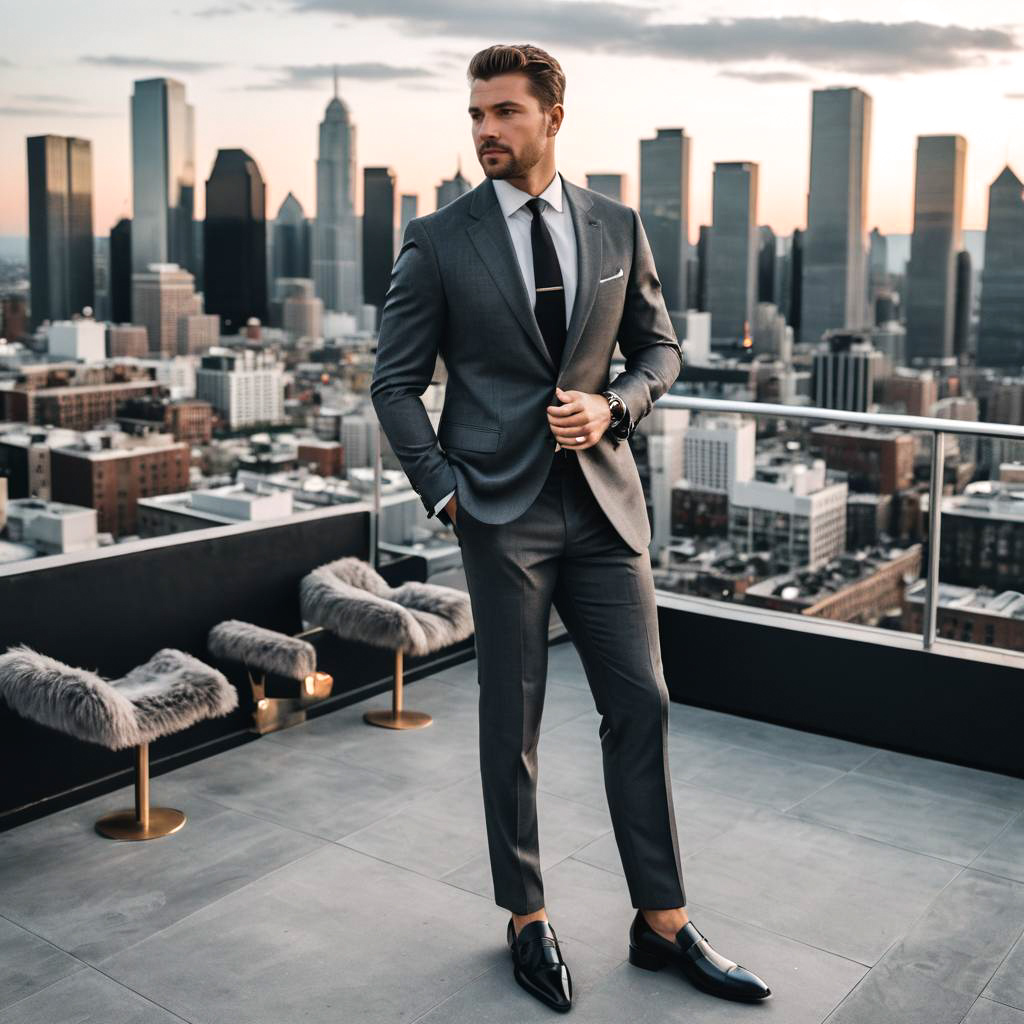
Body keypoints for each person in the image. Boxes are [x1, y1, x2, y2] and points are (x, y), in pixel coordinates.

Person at [370, 42, 771, 1012]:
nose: (484, 133)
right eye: (474, 115)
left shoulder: (616, 226)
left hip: (603, 505)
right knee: (513, 726)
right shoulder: (438, 239)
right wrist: (444, 493)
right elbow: (393, 383)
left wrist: (616, 407)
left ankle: (662, 922)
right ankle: (526, 916)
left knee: (643, 702)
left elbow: (661, 350)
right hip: (497, 516)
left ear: (553, 115)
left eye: (503, 113)